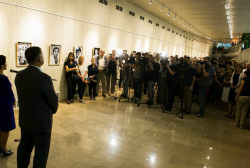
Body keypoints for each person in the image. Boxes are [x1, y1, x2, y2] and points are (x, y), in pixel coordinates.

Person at [15, 47, 58, 168]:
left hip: (25, 120)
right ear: (40, 59)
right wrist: (53, 109)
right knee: (41, 153)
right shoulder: (44, 78)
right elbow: (53, 101)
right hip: (41, 123)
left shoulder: (19, 75)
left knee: (24, 149)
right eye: (43, 55)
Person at [0, 55, 16, 156]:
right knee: (6, 127)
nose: (7, 64)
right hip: (5, 104)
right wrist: (14, 100)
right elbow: (8, 92)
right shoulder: (3, 78)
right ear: (2, 65)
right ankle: (4, 148)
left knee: (1, 126)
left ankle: (0, 146)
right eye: (5, 63)